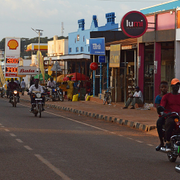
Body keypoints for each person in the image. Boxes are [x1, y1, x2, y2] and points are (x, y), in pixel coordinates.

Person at [160, 78, 180, 151]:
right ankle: (168, 142)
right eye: (175, 85)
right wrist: (162, 110)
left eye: (178, 85)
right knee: (170, 123)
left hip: (179, 116)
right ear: (171, 86)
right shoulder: (167, 96)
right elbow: (162, 106)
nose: (176, 87)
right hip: (170, 116)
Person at [155, 81, 169, 151]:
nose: (164, 89)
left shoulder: (170, 96)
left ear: (168, 88)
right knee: (159, 123)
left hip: (171, 114)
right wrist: (161, 112)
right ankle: (161, 142)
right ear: (160, 88)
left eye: (165, 87)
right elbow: (158, 109)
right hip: (163, 116)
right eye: (162, 87)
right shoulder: (158, 97)